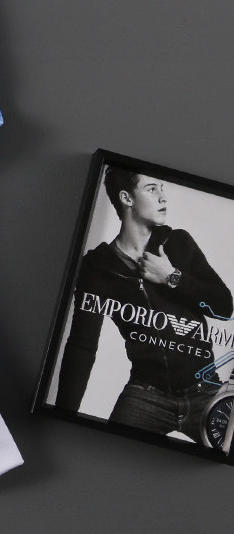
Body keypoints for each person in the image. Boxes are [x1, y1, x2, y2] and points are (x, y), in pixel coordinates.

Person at [56, 166, 233, 444]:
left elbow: (224, 306)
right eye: (152, 189)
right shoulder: (97, 268)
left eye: (162, 188)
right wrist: (63, 417)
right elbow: (82, 345)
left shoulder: (178, 243)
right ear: (126, 198)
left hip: (205, 390)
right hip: (145, 395)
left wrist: (171, 276)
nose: (163, 197)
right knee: (108, 452)